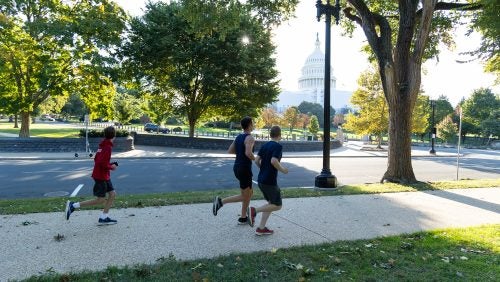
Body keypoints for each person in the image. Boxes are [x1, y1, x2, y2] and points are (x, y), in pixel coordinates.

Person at [65, 126, 119, 225]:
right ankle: (73, 206)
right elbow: (101, 163)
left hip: (103, 175)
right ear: (114, 135)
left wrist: (109, 165)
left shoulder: (102, 145)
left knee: (112, 194)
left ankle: (104, 217)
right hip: (101, 176)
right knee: (100, 199)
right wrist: (112, 167)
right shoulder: (107, 147)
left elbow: (97, 160)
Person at [213, 116, 256, 226]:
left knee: (249, 193)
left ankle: (243, 218)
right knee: (246, 195)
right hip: (244, 168)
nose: (254, 124)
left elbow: (230, 151)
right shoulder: (250, 138)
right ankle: (221, 202)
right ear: (250, 125)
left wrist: (241, 153)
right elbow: (248, 153)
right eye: (253, 123)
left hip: (237, 167)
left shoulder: (238, 137)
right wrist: (257, 159)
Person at [248, 125, 288, 235]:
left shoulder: (265, 145)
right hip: (270, 181)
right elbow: (274, 161)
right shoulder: (278, 146)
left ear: (271, 134)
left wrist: (263, 168)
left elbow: (256, 160)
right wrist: (283, 170)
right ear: (279, 135)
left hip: (261, 179)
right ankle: (254, 211)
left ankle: (261, 228)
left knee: (271, 203)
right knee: (277, 205)